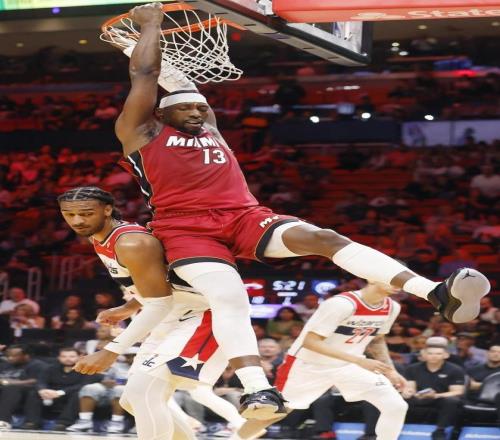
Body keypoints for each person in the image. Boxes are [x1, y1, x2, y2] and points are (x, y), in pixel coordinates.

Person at [113, 2, 490, 417]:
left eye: (202, 107)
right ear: (161, 112)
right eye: (187, 108)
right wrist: (149, 26)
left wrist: (155, 55)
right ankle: (258, 389)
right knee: (229, 295)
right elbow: (145, 75)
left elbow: (179, 83)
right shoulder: (141, 132)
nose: (198, 112)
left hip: (244, 214)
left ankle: (435, 293)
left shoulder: (211, 128)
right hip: (186, 228)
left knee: (325, 238)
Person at [58, 187, 246, 440]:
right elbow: (160, 285)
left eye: (86, 213)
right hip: (172, 316)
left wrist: (111, 351)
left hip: (203, 315)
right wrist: (128, 307)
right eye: (69, 214)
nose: (77, 220)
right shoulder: (99, 238)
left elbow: (160, 303)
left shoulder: (131, 242)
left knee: (143, 393)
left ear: (107, 210)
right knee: (131, 400)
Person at [234, 280, 409, 440]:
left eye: (401, 279)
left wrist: (391, 371)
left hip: (348, 365)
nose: (397, 283)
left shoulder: (392, 307)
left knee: (396, 406)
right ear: (371, 277)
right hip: (308, 365)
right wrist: (358, 361)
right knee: (273, 413)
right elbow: (310, 342)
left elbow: (377, 340)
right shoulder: (341, 304)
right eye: (392, 278)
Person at [23, 347, 99, 431]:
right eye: (64, 356)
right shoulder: (50, 368)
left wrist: (60, 392)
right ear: (59, 357)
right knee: (34, 393)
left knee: (78, 394)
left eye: (72, 356)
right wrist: (42, 390)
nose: (68, 359)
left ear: (79, 357)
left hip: (70, 394)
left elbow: (83, 385)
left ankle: (63, 423)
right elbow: (41, 381)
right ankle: (32, 422)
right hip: (50, 395)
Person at [66, 347, 137, 434]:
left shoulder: (144, 368)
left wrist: (126, 384)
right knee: (91, 388)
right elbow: (106, 380)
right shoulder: (117, 366)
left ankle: (117, 422)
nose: (131, 358)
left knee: (120, 389)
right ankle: (85, 421)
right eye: (128, 356)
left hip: (131, 394)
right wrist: (108, 382)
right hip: (111, 391)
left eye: (134, 356)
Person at [403, 345, 465, 440]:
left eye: (438, 354)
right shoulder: (412, 368)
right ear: (424, 355)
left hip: (440, 398)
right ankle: (394, 427)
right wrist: (410, 393)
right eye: (430, 353)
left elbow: (457, 391)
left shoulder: (455, 369)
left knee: (452, 401)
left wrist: (436, 395)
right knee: (398, 399)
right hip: (418, 397)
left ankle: (440, 430)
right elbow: (410, 387)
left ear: (446, 355)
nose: (434, 356)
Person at [0, 345, 47, 430]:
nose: (10, 358)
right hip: (4, 389)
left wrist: (9, 382)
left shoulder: (38, 365)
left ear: (26, 356)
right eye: (8, 356)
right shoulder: (5, 365)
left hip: (25, 392)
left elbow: (36, 381)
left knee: (11, 389)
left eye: (14, 356)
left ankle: (3, 421)